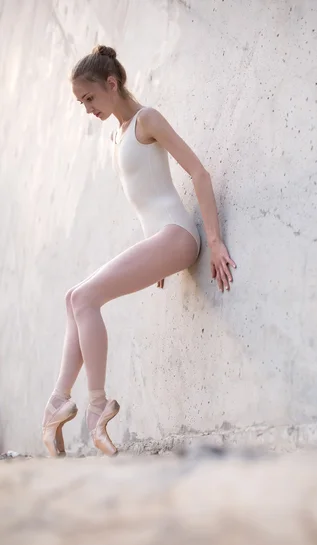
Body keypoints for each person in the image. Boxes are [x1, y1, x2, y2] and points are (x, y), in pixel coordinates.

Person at [42, 45, 236, 457]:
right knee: (73, 298)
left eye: (89, 97)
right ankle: (59, 401)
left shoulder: (147, 119)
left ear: (112, 83)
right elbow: (146, 195)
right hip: (162, 241)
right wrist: (153, 256)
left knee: (85, 297)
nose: (87, 108)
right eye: (81, 102)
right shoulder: (119, 132)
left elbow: (198, 173)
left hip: (179, 236)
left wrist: (215, 241)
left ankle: (95, 407)